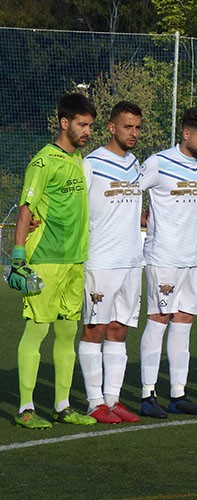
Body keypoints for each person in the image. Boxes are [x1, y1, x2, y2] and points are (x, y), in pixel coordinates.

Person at [9, 93, 98, 429]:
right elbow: (25, 210)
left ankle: (62, 405)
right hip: (44, 260)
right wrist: (19, 256)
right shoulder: (43, 161)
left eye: (90, 125)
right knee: (36, 332)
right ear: (64, 123)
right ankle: (26, 408)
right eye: (81, 124)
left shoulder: (78, 160)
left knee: (66, 333)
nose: (87, 131)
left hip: (74, 261)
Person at [138, 107, 197, 418]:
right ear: (186, 134)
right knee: (158, 321)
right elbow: (130, 192)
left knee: (184, 323)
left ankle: (178, 394)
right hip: (164, 257)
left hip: (195, 257)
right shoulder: (158, 163)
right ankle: (147, 395)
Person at [78, 101, 144, 423]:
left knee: (119, 330)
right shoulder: (91, 163)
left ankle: (113, 399)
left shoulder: (136, 165)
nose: (133, 133)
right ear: (111, 128)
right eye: (127, 126)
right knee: (95, 329)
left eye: (137, 127)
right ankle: (93, 402)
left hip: (132, 261)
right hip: (101, 261)